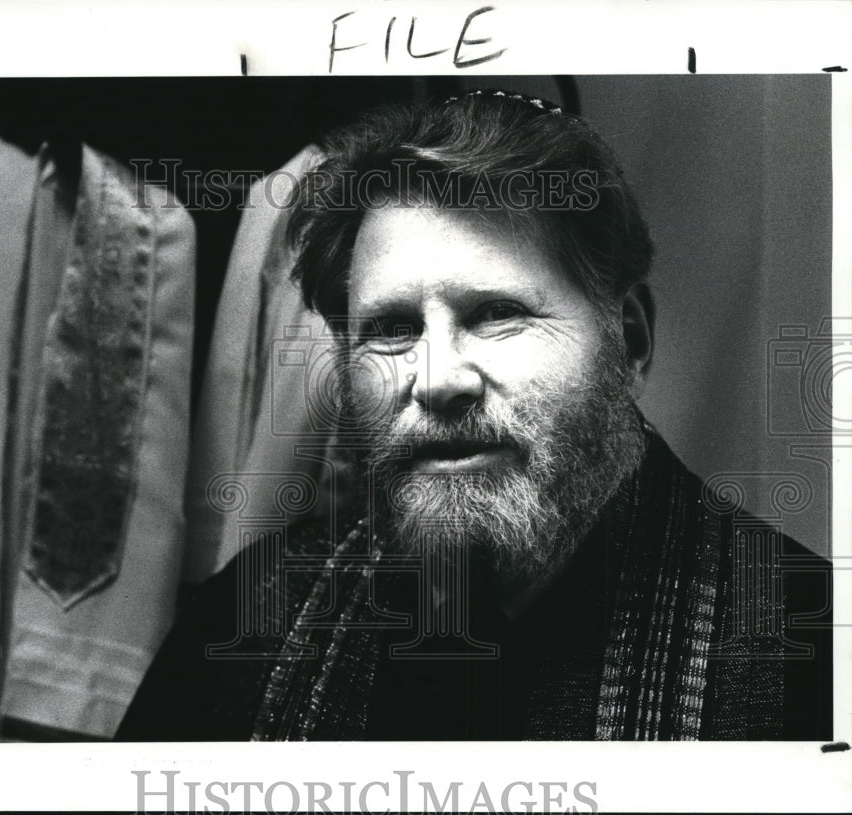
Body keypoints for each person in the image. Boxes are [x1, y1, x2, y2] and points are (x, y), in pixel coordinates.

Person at [116, 89, 832, 741]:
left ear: (631, 341)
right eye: (392, 329)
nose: (437, 380)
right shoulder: (246, 624)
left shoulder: (813, 651)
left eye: (496, 314)